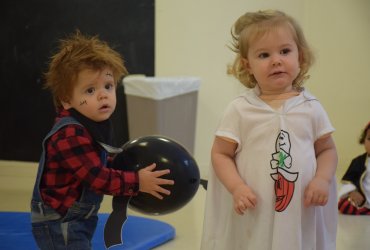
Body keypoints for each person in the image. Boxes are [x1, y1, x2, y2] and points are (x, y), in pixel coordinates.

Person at [201, 10, 338, 250]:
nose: (276, 60)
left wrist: (322, 179)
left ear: (300, 56)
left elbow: (326, 150)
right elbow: (220, 153)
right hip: (256, 208)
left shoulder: (311, 108)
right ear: (248, 65)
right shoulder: (241, 109)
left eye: (285, 51)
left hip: (300, 208)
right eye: (264, 55)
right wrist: (237, 187)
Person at [30, 31, 174, 249]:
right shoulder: (70, 133)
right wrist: (137, 181)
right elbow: (96, 178)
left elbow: (99, 162)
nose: (103, 95)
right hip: (60, 220)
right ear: (67, 99)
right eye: (90, 90)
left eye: (108, 86)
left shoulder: (92, 122)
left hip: (78, 216)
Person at [338, 122, 370, 215]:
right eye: (369, 139)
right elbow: (347, 181)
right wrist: (352, 192)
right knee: (343, 205)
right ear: (363, 141)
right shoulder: (358, 161)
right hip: (363, 200)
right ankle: (364, 209)